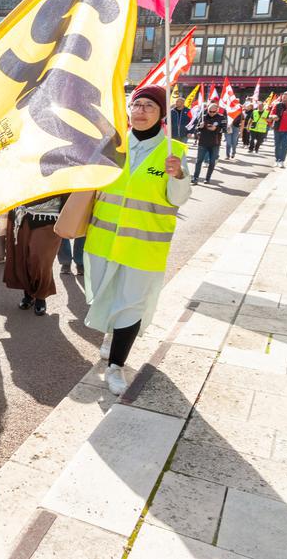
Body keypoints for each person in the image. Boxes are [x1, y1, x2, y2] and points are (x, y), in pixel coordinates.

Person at [84, 85, 190, 395]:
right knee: (102, 297)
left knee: (130, 305)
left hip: (144, 246)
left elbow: (179, 199)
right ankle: (110, 333)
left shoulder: (175, 152)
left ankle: (115, 366)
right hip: (102, 241)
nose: (141, 111)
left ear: (161, 115)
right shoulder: (113, 146)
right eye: (137, 105)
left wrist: (178, 176)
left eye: (149, 107)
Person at [5, 195, 66, 316]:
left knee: (39, 259)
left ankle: (40, 296)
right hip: (21, 215)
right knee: (23, 257)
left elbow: (68, 189)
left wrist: (66, 218)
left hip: (48, 217)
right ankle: (28, 294)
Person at [191, 102, 224, 185]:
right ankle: (195, 178)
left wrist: (216, 128)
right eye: (210, 111)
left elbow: (225, 129)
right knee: (199, 161)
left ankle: (207, 178)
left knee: (212, 162)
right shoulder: (203, 116)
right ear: (208, 109)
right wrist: (199, 127)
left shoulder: (221, 117)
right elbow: (196, 128)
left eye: (213, 111)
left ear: (217, 110)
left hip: (215, 143)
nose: (211, 113)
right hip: (203, 142)